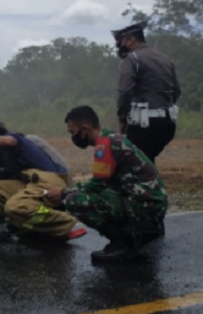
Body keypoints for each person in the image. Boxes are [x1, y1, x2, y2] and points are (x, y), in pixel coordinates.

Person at [45, 105, 168, 263]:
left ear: (85, 129)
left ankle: (123, 244)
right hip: (153, 204)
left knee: (75, 201)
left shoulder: (105, 145)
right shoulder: (112, 138)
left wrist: (62, 193)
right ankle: (146, 230)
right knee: (101, 195)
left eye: (72, 132)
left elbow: (96, 185)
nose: (73, 137)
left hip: (146, 207)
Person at [0, 123, 86, 241]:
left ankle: (68, 223)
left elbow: (9, 141)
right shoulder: (3, 156)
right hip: (32, 183)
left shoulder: (15, 140)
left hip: (48, 181)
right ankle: (27, 225)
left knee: (13, 207)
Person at [112, 21, 181, 164]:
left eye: (121, 42)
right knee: (147, 161)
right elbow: (177, 91)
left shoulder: (133, 58)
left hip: (144, 125)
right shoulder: (166, 59)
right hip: (167, 124)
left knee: (137, 166)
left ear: (131, 39)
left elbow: (125, 91)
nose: (120, 46)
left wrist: (122, 118)